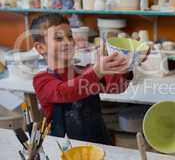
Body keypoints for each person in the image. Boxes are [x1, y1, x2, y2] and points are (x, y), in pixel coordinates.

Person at [31, 13, 133, 144]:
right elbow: (65, 92)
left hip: (98, 143)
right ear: (40, 47)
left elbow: (118, 87)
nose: (68, 42)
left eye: (69, 36)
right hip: (65, 149)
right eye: (58, 38)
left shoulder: (85, 70)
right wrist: (97, 71)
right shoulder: (42, 80)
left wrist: (127, 68)